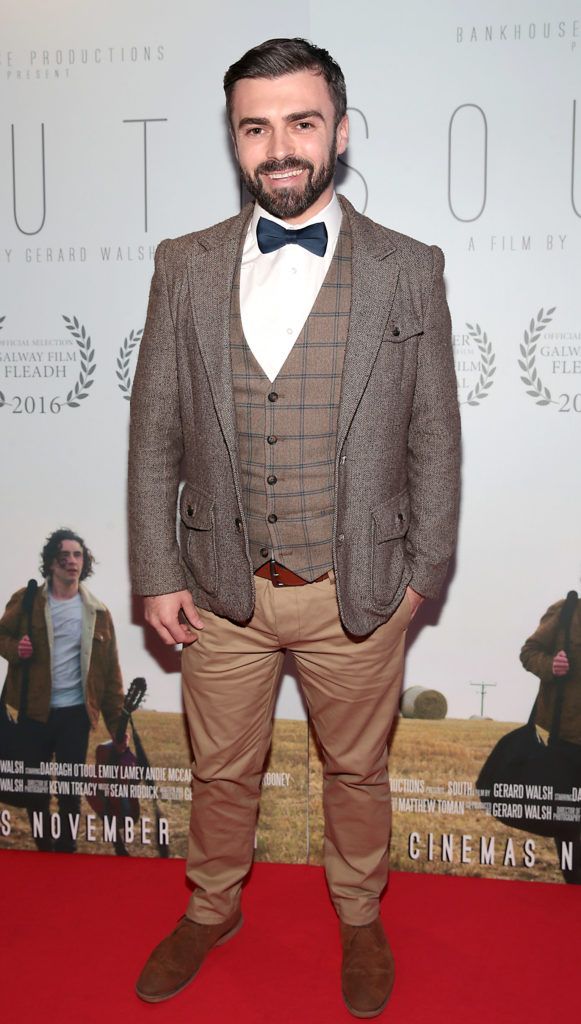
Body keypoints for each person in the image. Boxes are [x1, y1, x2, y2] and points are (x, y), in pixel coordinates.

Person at [128, 37, 460, 1017]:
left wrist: (420, 576)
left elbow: (433, 432)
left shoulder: (407, 267)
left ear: (340, 132)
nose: (279, 147)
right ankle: (209, 907)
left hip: (353, 589)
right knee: (220, 771)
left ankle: (358, 917)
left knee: (354, 769)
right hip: (219, 587)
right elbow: (154, 431)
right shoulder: (181, 266)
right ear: (234, 139)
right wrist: (155, 570)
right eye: (255, 126)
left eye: (300, 123)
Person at [0, 528, 124, 852]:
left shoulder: (98, 613)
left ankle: (67, 847)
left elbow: (110, 674)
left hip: (75, 714)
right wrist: (16, 648)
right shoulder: (26, 601)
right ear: (51, 563)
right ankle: (44, 846)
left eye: (78, 554)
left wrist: (117, 724)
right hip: (34, 711)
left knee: (70, 786)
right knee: (35, 786)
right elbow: (1, 637)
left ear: (85, 562)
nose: (72, 561)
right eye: (64, 555)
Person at [520, 594, 581, 884]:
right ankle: (574, 884)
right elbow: (529, 652)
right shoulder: (566, 612)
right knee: (568, 821)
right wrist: (551, 666)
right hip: (567, 739)